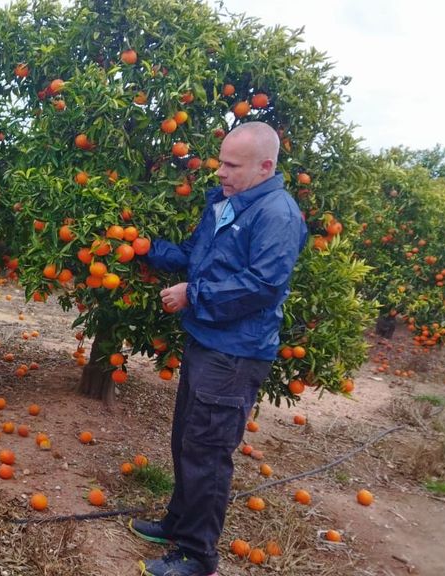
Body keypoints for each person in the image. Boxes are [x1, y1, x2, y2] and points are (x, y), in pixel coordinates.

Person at [130, 121, 308, 576]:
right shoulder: (226, 202)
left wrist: (194, 295)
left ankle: (197, 555)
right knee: (187, 438)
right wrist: (146, 249)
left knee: (208, 450)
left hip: (237, 351)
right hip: (207, 340)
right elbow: (196, 255)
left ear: (265, 166)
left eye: (232, 165)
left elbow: (263, 285)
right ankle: (177, 523)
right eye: (221, 162)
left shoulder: (277, 214)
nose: (220, 172)